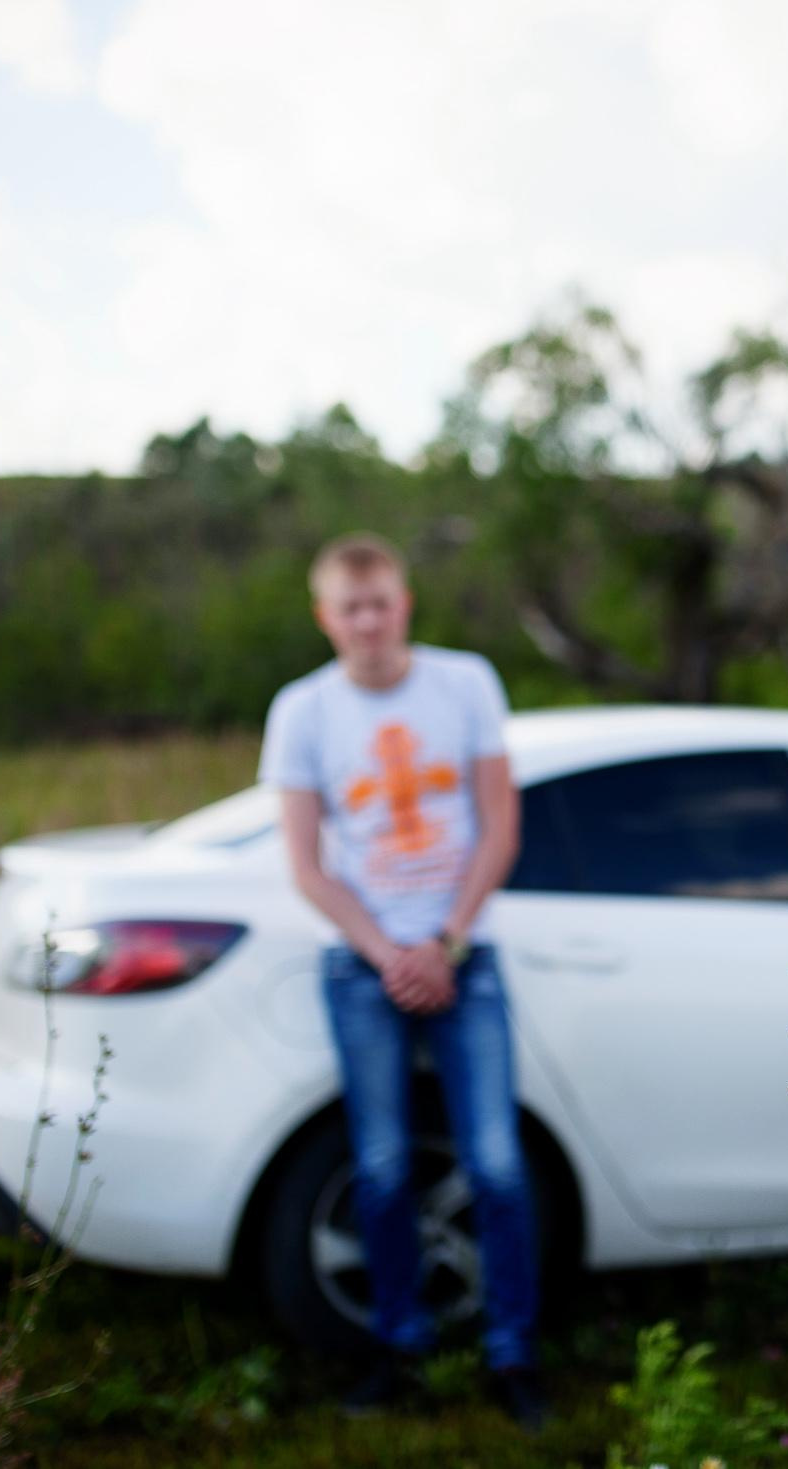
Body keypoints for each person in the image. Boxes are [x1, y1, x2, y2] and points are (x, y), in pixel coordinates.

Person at [258, 531, 545, 1428]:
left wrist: (446, 943)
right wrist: (391, 955)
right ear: (325, 617)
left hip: (466, 953)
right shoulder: (302, 710)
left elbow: (499, 829)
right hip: (362, 964)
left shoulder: (465, 684)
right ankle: (399, 1343)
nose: (369, 621)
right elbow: (307, 866)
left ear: (404, 603)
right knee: (380, 1167)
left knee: (496, 1163)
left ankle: (512, 1353)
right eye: (351, 608)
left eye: (381, 602)